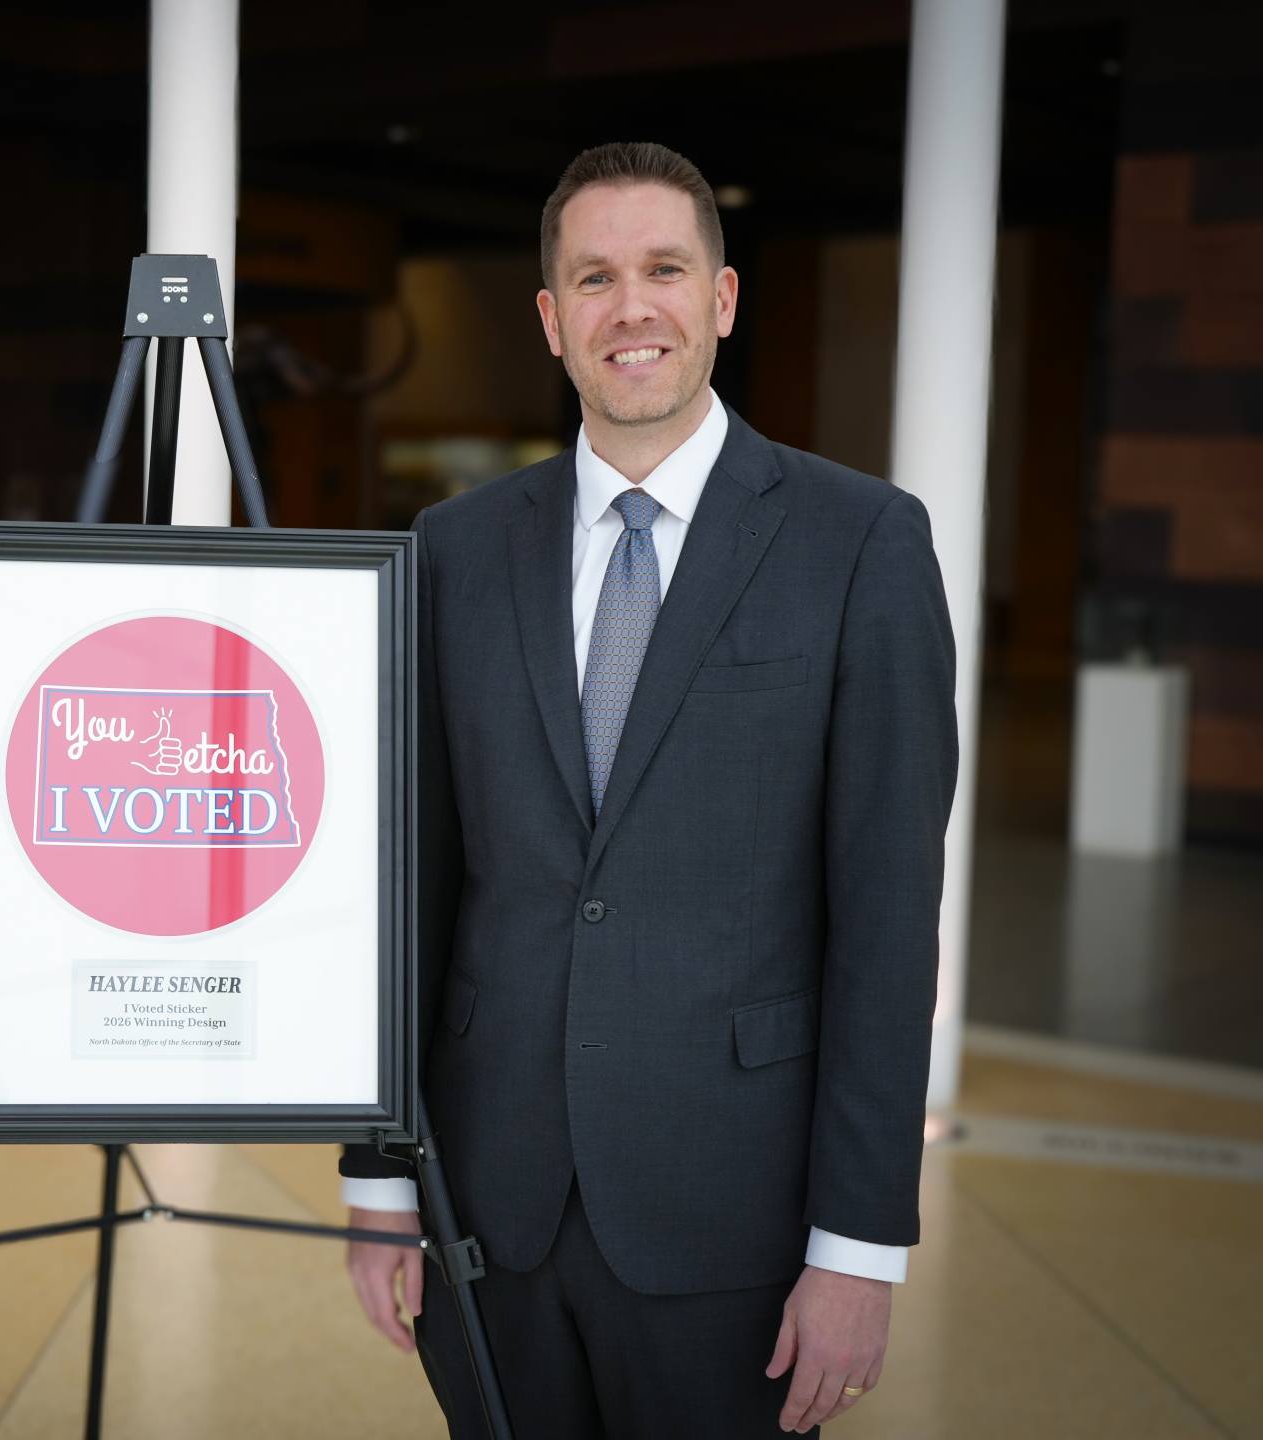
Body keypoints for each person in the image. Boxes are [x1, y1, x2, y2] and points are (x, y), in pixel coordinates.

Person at [341, 142, 958, 1438]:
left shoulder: (861, 543)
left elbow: (889, 919)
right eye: (596, 278)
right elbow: (406, 885)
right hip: (487, 1211)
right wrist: (384, 1190)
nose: (634, 308)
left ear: (721, 300)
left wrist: (859, 1248)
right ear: (553, 319)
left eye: (666, 270)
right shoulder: (452, 550)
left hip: (729, 1209)